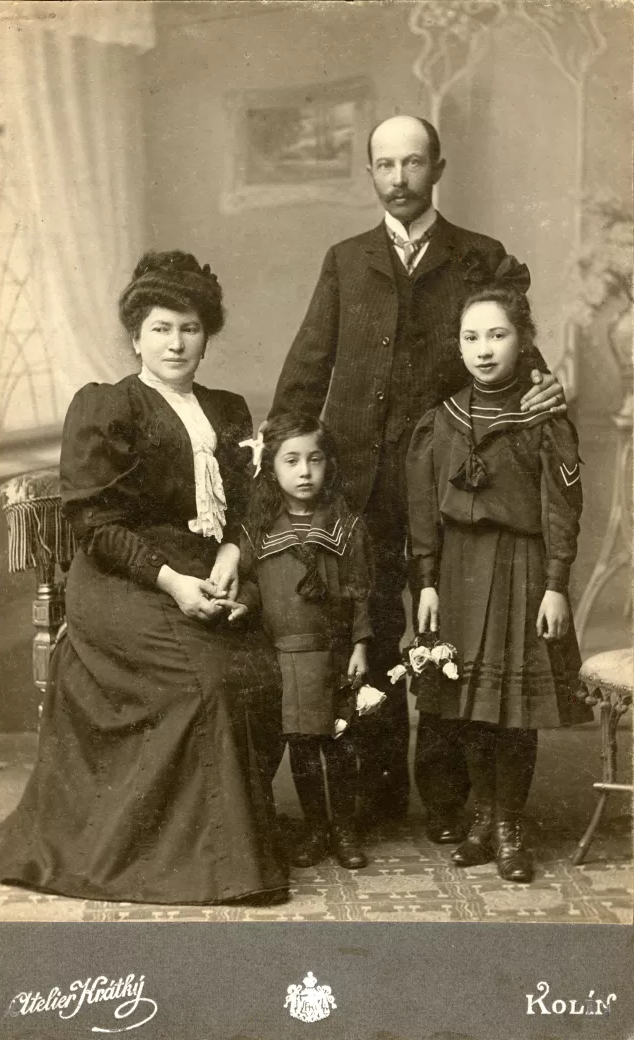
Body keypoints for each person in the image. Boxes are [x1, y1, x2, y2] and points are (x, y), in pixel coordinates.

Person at [269, 114, 565, 836]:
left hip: (454, 485)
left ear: (438, 168)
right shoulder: (345, 259)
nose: (398, 179)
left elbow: (512, 343)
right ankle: (372, 800)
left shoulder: (479, 255)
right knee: (367, 626)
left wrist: (545, 383)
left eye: (412, 164)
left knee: (451, 635)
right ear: (370, 172)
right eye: (385, 165)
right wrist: (279, 444)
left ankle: (451, 802)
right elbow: (310, 364)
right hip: (359, 485)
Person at [0, 251, 288, 905]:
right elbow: (95, 526)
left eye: (188, 328)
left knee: (261, 672)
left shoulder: (229, 409)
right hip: (122, 580)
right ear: (136, 336)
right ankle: (201, 859)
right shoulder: (107, 407)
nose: (176, 342)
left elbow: (253, 506)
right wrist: (174, 583)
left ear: (206, 333)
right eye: (161, 328)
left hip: (207, 572)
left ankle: (226, 833)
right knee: (204, 682)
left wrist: (233, 558)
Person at [406, 258, 593, 883]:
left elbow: (561, 505)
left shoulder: (543, 416)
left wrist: (557, 585)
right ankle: (482, 817)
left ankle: (511, 822)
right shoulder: (444, 418)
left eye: (498, 335)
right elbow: (422, 510)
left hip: (521, 567)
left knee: (512, 707)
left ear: (523, 339)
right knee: (465, 704)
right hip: (457, 569)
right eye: (471, 337)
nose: (483, 350)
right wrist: (426, 579)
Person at [234, 413, 373, 870]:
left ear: (328, 464)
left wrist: (359, 645)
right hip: (285, 655)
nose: (304, 471)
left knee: (341, 744)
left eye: (314, 459)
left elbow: (360, 591)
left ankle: (346, 829)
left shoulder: (347, 526)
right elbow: (254, 585)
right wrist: (244, 604)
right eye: (290, 461)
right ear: (270, 467)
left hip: (333, 653)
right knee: (303, 747)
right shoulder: (258, 530)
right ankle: (316, 828)